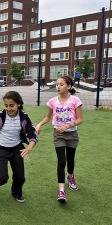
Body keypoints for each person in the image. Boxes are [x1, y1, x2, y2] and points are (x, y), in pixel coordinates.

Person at [35, 75, 83, 204]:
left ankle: (71, 176)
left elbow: (80, 119)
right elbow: (48, 117)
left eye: (61, 84)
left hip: (72, 135)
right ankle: (61, 190)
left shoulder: (75, 100)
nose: (58, 87)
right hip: (58, 135)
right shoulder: (52, 101)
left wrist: (67, 126)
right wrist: (39, 125)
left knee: (70, 160)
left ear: (69, 86)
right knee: (62, 161)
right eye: (57, 84)